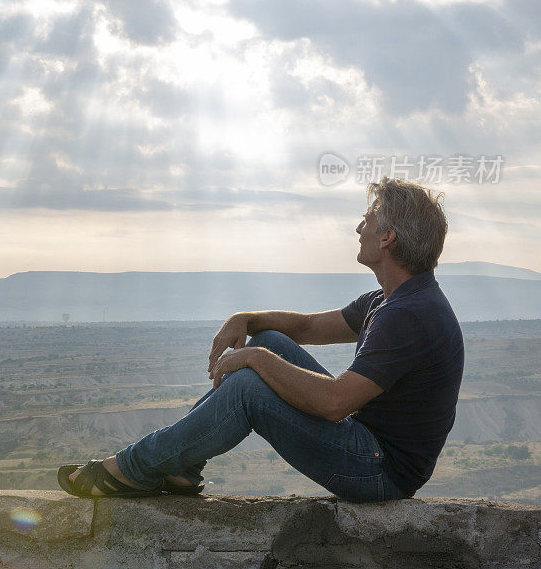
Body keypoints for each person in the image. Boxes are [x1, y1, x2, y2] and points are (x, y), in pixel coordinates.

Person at [58, 177, 464, 502]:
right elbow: (304, 328)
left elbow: (334, 402)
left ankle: (135, 468)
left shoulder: (408, 315)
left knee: (252, 384)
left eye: (368, 218)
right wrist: (246, 319)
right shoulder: (392, 299)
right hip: (368, 447)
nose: (359, 227)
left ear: (388, 238)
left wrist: (253, 360)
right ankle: (181, 468)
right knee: (270, 339)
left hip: (379, 472)